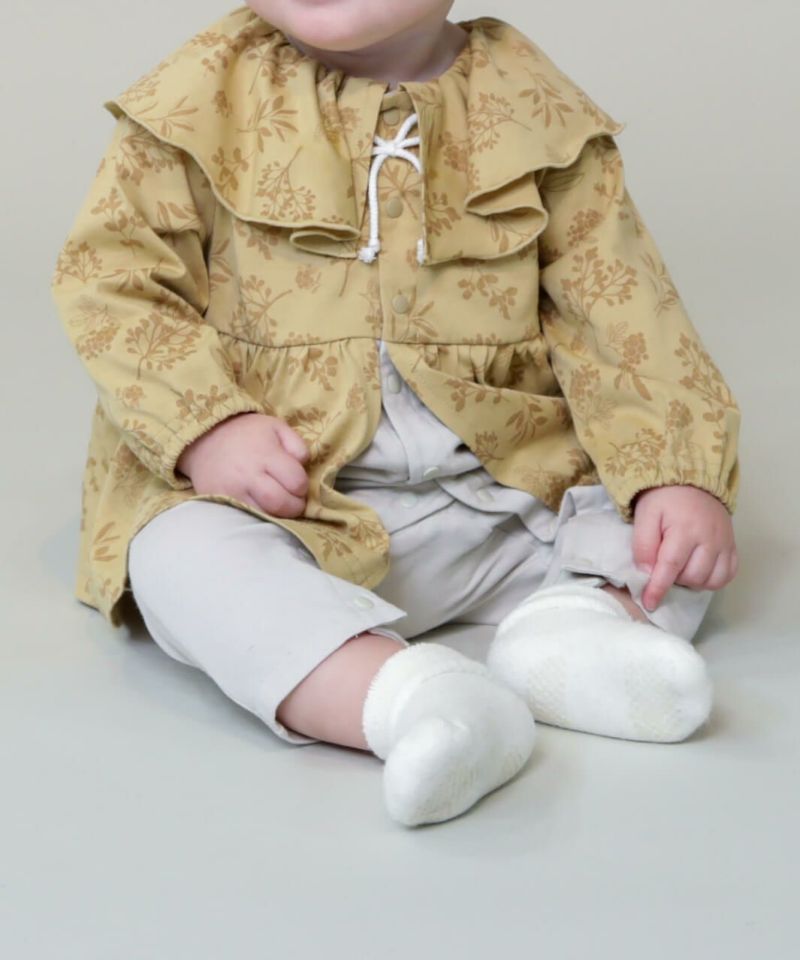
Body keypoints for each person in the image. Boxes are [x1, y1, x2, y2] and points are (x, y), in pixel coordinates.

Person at [50, 1, 741, 827]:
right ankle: (411, 700)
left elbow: (625, 315)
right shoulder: (198, 96)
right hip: (287, 505)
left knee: (665, 533)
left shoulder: (535, 109)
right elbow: (112, 283)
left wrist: (675, 475)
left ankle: (572, 635)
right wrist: (208, 426)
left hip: (505, 499)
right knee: (177, 555)